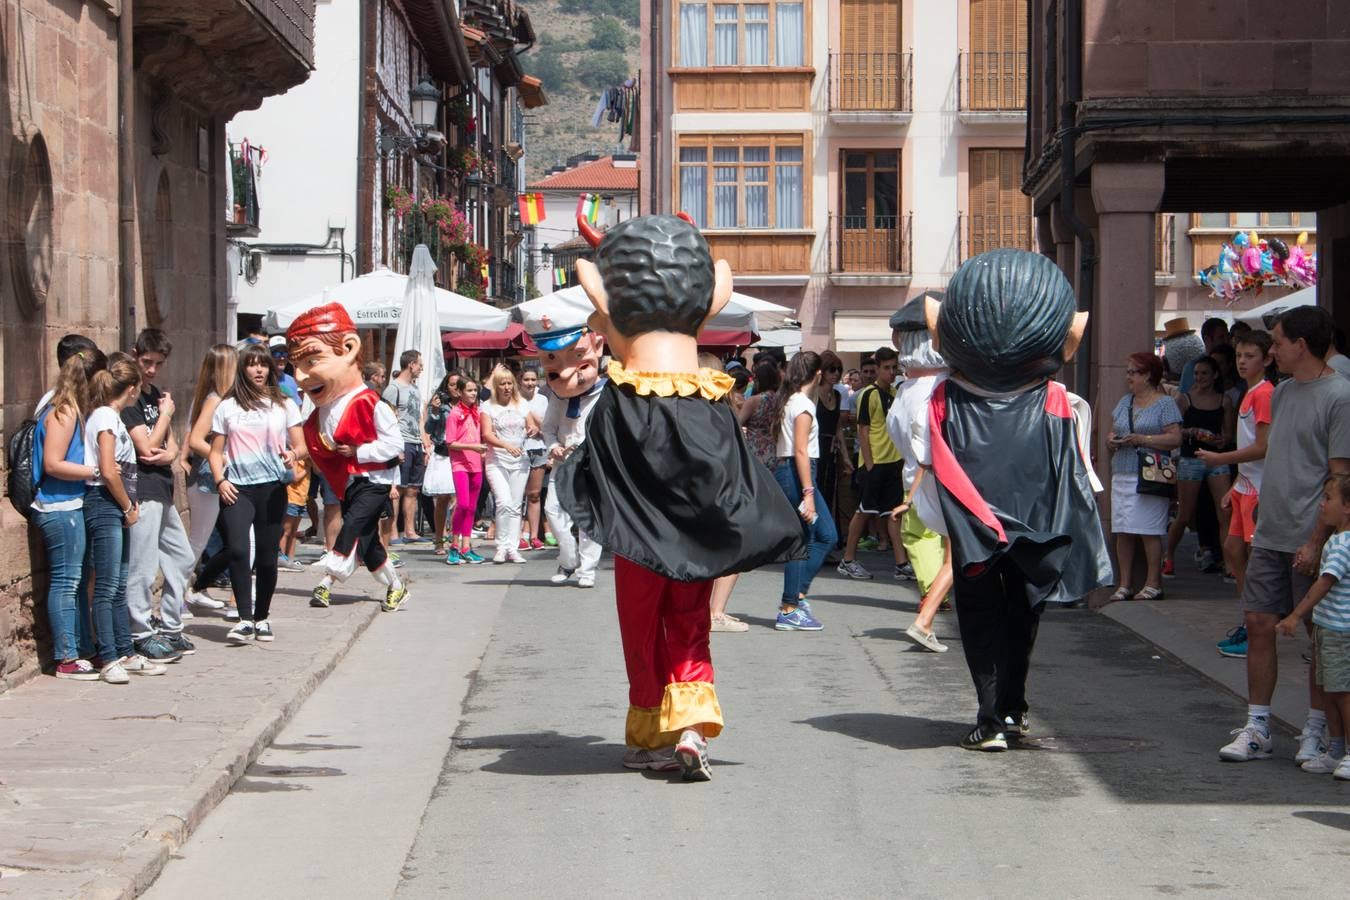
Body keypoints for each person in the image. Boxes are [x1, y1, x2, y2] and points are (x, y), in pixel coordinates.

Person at [555, 212, 803, 780]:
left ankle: (649, 735)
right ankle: (690, 726)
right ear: (708, 300)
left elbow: (603, 469)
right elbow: (732, 473)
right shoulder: (711, 400)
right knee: (689, 622)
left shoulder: (621, 400)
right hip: (695, 539)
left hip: (640, 540)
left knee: (640, 626)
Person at [924, 250, 1111, 751]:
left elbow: (939, 465)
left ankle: (992, 718)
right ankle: (1011, 709)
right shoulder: (1058, 399)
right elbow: (1074, 473)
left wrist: (978, 521)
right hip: (1036, 534)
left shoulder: (944, 399)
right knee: (1022, 619)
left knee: (981, 621)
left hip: (976, 534)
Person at [1218, 306, 1350, 764]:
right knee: (1258, 623)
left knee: (1316, 636)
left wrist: (1316, 540)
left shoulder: (1340, 395)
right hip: (1270, 530)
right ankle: (1258, 726)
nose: (1271, 350)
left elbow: (1338, 477)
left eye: (1277, 342)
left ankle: (1315, 731)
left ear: (1302, 345)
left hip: (1308, 537)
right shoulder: (1284, 392)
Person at [286, 304, 409, 612]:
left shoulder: (370, 402)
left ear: (349, 349)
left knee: (351, 524)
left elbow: (394, 443)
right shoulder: (320, 408)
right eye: (295, 365)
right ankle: (396, 586)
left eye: (312, 360)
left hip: (374, 480)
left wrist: (359, 452)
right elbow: (312, 443)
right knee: (368, 545)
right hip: (349, 482)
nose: (301, 375)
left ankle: (328, 577)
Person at [208, 343, 307, 643]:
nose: (259, 369)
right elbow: (215, 452)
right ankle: (243, 618)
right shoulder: (227, 406)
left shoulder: (284, 403)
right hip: (237, 488)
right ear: (242, 368)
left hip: (272, 488)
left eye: (263, 364)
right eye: (252, 364)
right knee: (238, 549)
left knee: (266, 556)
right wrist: (219, 480)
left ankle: (262, 617)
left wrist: (293, 456)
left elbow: (301, 446)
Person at [85, 355, 168, 683]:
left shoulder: (113, 416)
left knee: (118, 584)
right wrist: (126, 506)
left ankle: (125, 651)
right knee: (107, 586)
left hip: (117, 503)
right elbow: (108, 469)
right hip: (105, 502)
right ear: (132, 389)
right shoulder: (105, 416)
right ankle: (108, 656)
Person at [1196, 330, 1274, 659]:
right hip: (1246, 486)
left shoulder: (1264, 394)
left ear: (1267, 359)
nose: (1242, 362)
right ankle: (1249, 622)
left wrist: (1219, 460)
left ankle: (1258, 627)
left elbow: (1261, 447)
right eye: (1240, 355)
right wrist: (1234, 484)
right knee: (1233, 550)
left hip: (1258, 489)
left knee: (1255, 562)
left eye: (1250, 356)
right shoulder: (1249, 392)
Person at [32, 339, 104, 679]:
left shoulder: (68, 407)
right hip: (59, 506)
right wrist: (96, 471)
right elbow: (53, 463)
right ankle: (66, 657)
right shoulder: (64, 410)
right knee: (65, 580)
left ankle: (82, 648)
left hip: (68, 504)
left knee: (75, 581)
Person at [123, 329, 195, 662]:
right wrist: (166, 416)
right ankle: (139, 630)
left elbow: (172, 446)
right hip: (142, 488)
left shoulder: (155, 395)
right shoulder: (130, 398)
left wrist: (169, 452)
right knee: (143, 564)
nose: (151, 370)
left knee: (181, 558)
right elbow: (147, 446)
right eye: (146, 362)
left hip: (162, 486)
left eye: (158, 363)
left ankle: (169, 625)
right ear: (135, 353)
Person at [886, 296, 952, 653]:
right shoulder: (938, 388)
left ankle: (929, 609)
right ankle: (928, 611)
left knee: (929, 542)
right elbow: (930, 450)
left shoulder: (905, 389)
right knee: (954, 552)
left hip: (916, 476)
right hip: (938, 480)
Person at [1277, 473, 1350, 778]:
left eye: (1328, 499)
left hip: (1340, 632)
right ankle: (1335, 750)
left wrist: (1296, 614)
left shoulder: (1344, 544)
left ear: (1348, 507)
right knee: (1329, 691)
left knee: (1343, 692)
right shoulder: (1335, 539)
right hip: (1327, 629)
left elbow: (1324, 583)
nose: (1322, 505)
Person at [1106, 352, 1183, 601]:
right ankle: (1125, 583)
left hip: (1151, 474)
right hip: (1123, 470)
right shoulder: (1124, 402)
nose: (1128, 376)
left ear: (1148, 375)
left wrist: (1143, 439)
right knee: (1123, 530)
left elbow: (1175, 438)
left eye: (1133, 372)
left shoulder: (1165, 404)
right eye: (1127, 371)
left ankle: (1153, 582)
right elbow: (1113, 430)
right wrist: (1112, 440)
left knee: (1149, 529)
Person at [771, 351, 836, 631]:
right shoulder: (803, 405)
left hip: (794, 471)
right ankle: (790, 606)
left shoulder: (792, 400)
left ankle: (795, 598)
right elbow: (800, 449)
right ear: (817, 373)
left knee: (822, 535)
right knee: (805, 539)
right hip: (799, 472)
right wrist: (808, 492)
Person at [837, 346, 911, 581]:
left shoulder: (895, 393)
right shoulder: (868, 394)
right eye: (886, 368)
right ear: (877, 369)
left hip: (893, 462)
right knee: (864, 512)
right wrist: (868, 464)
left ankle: (901, 563)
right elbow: (863, 429)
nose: (891, 372)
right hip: (875, 462)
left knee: (892, 514)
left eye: (893, 367)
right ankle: (848, 560)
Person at [177, 344, 237, 615]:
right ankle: (176, 594)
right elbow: (195, 440)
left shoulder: (215, 397)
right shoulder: (215, 399)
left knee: (213, 540)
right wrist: (222, 456)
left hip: (211, 479)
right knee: (198, 540)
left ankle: (192, 589)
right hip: (206, 479)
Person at [1163, 356, 1235, 578]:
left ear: (1214, 376)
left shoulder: (1224, 401)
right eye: (1196, 373)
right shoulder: (1184, 399)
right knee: (1184, 514)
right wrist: (1192, 432)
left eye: (1204, 373)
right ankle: (1169, 556)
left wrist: (1219, 440)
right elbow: (1173, 431)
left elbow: (1228, 435)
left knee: (1224, 513)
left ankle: (1229, 564)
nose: (1199, 377)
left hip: (1216, 458)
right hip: (1191, 459)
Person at [481, 366, 538, 564]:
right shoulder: (488, 406)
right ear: (496, 387)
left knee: (515, 506)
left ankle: (513, 548)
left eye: (509, 383)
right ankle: (501, 545)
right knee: (503, 502)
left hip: (520, 461)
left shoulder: (521, 404)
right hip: (497, 459)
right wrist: (505, 445)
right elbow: (486, 434)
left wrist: (531, 428)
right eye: (502, 384)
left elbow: (532, 425)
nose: (506, 387)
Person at [383, 350, 426, 543]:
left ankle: (410, 530)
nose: (421, 368)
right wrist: (395, 446)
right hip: (402, 442)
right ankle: (392, 532)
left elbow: (420, 417)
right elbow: (387, 417)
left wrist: (425, 441)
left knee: (413, 489)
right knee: (398, 489)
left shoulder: (415, 389)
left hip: (416, 442)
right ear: (411, 364)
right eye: (419, 364)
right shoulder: (394, 388)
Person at [445, 376, 487, 566]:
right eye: (469, 390)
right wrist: (473, 448)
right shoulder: (454, 413)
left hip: (476, 464)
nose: (473, 394)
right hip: (460, 464)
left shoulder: (478, 412)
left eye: (474, 390)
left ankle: (466, 546)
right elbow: (451, 443)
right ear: (460, 392)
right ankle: (454, 545)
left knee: (471, 506)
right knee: (462, 504)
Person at [422, 372, 459, 554]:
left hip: (462, 453)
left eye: (458, 384)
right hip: (443, 453)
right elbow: (429, 429)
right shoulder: (441, 405)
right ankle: (439, 538)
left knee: (461, 498)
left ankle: (457, 537)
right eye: (451, 385)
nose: (455, 388)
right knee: (443, 497)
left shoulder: (468, 404)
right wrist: (435, 412)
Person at [519, 368, 552, 550]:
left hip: (539, 449)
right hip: (520, 449)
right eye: (526, 379)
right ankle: (519, 536)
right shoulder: (515, 399)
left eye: (533, 379)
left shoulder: (543, 400)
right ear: (520, 381)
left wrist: (538, 429)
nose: (530, 383)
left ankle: (533, 536)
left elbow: (547, 426)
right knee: (518, 495)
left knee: (534, 494)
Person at [736, 361, 781, 470]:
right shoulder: (778, 399)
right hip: (772, 448)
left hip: (755, 449)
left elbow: (737, 423)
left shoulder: (754, 401)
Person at [268, 335, 302, 403]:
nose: (282, 358)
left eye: (285, 354)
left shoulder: (291, 380)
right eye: (277, 354)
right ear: (269, 355)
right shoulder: (263, 380)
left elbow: (297, 406)